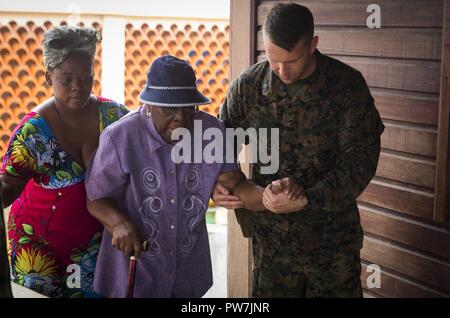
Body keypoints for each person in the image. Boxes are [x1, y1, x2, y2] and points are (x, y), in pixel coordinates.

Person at [215, 2, 385, 297]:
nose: (282, 71)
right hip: (272, 248)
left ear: (313, 44)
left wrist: (308, 199)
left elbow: (360, 163)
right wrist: (220, 185)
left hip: (332, 246)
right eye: (273, 60)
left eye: (291, 61)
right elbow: (219, 146)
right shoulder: (248, 86)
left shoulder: (346, 86)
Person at [85, 55, 274, 298]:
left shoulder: (211, 132)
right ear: (148, 106)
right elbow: (96, 197)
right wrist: (118, 223)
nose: (181, 118)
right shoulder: (120, 137)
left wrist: (269, 196)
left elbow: (234, 183)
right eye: (169, 109)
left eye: (188, 108)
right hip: (135, 275)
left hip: (188, 273)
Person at [0, 26, 129, 297]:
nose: (77, 87)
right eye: (66, 79)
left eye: (85, 77)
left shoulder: (115, 117)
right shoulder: (33, 131)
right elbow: (7, 189)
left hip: (94, 249)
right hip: (37, 253)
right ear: (49, 76)